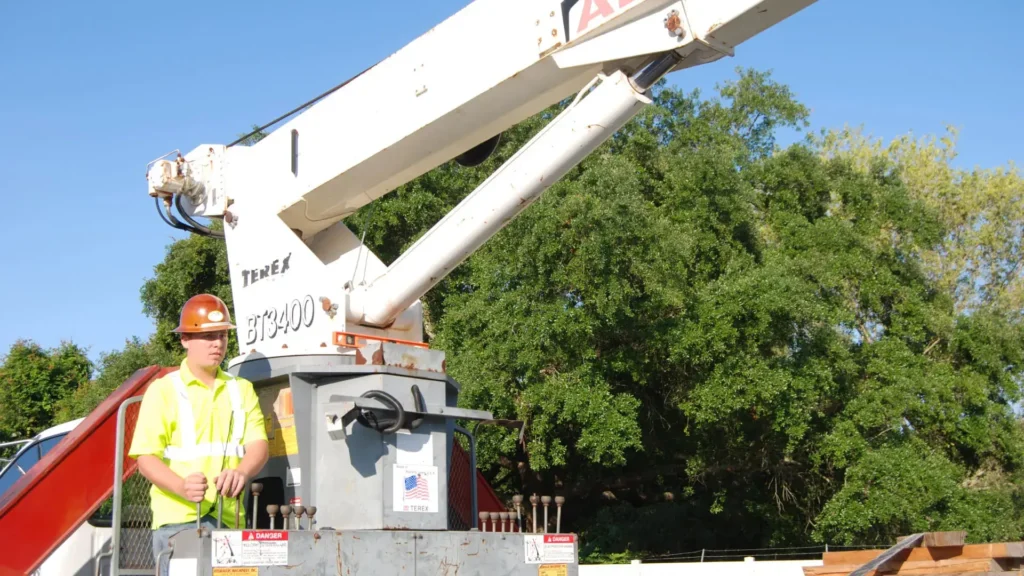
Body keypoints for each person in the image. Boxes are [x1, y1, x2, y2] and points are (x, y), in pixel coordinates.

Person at [128, 293, 269, 573]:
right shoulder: (164, 390)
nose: (217, 343)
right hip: (178, 522)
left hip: (231, 520)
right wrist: (181, 487)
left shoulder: (241, 389)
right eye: (207, 336)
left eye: (222, 335)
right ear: (185, 340)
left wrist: (241, 472)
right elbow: (145, 458)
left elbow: (259, 445)